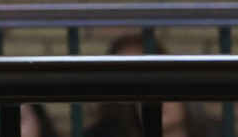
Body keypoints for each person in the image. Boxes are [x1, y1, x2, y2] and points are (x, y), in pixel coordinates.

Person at [84, 33, 216, 137]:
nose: (159, 99)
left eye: (165, 87)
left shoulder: (216, 131)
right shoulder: (106, 131)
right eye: (126, 72)